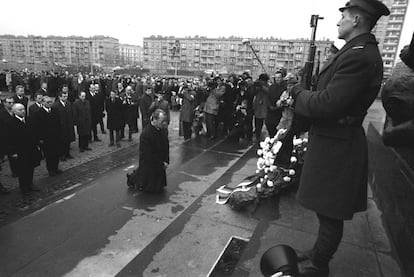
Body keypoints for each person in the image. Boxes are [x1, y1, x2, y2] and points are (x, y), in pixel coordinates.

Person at [289, 1, 390, 276]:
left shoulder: (359, 55)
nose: (338, 22)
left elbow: (328, 103)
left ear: (356, 19)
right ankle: (318, 252)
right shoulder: (354, 51)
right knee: (325, 209)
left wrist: (299, 94)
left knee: (330, 212)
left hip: (338, 143)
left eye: (343, 16)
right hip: (333, 140)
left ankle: (318, 266)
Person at [7, 103, 42, 196]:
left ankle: (30, 184)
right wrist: (12, 152)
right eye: (20, 110)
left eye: (23, 109)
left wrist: (37, 144)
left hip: (31, 148)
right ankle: (24, 187)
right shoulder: (10, 123)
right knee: (23, 170)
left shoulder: (29, 120)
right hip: (20, 151)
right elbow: (9, 139)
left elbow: (34, 133)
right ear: (14, 112)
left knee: (31, 167)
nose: (23, 111)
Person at [136, 109, 169, 193]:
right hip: (150, 165)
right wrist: (161, 163)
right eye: (162, 121)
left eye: (165, 121)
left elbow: (166, 146)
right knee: (150, 189)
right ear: (154, 120)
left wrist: (166, 160)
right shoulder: (146, 134)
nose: (164, 124)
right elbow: (148, 155)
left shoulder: (162, 130)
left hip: (159, 162)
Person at [33, 96, 63, 176]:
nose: (50, 104)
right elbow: (37, 127)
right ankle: (50, 169)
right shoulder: (38, 113)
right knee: (49, 155)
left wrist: (60, 134)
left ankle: (56, 168)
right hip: (46, 138)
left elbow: (59, 123)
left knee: (56, 153)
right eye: (47, 102)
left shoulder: (55, 111)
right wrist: (40, 138)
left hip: (56, 136)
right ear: (43, 103)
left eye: (50, 102)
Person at [52, 89, 75, 160]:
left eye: (66, 96)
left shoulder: (68, 103)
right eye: (64, 96)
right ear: (60, 97)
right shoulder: (56, 105)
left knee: (68, 141)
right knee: (61, 142)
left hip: (68, 125)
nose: (65, 98)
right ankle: (61, 155)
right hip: (60, 127)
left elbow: (71, 114)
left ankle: (67, 153)